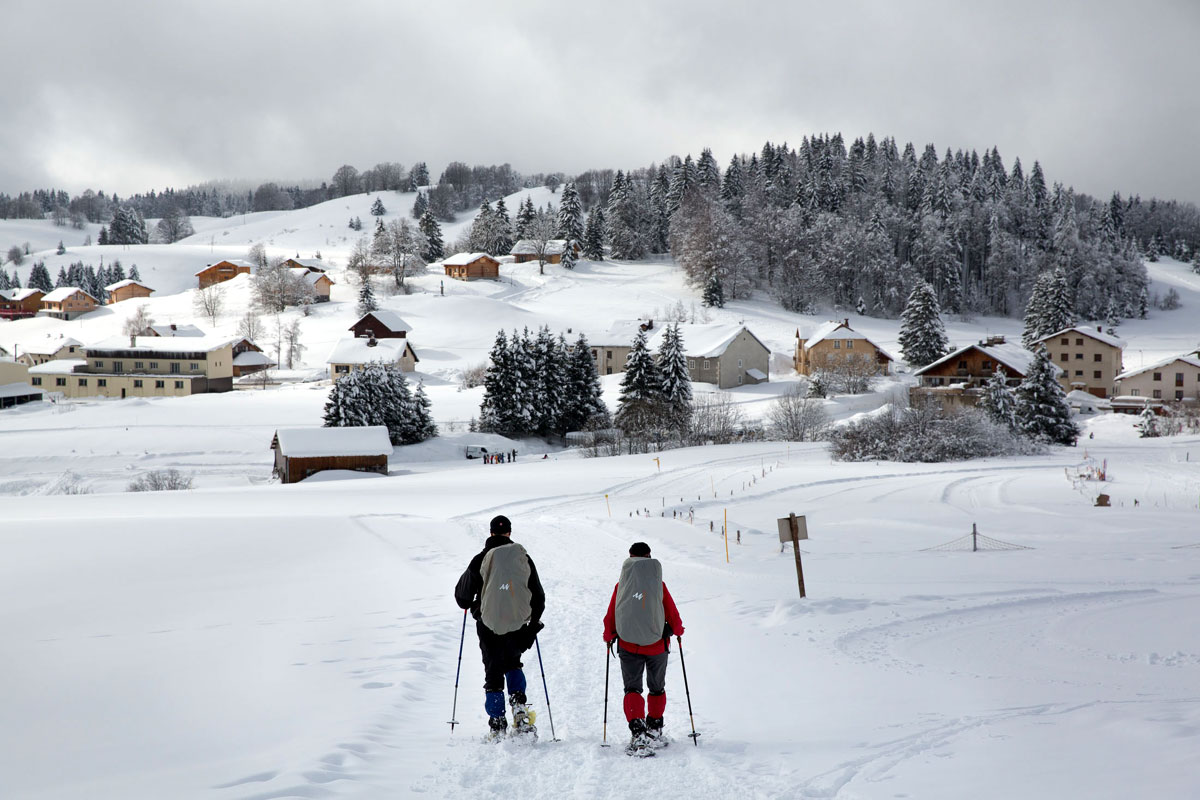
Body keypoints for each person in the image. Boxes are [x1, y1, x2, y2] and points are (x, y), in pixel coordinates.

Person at [455, 515, 546, 740]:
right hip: (517, 622)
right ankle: (520, 709)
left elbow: (462, 597)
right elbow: (539, 596)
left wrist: (476, 607)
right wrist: (532, 624)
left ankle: (497, 724)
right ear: (509, 533)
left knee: (493, 670)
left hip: (488, 624)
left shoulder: (481, 558)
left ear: (491, 532)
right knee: (513, 663)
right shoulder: (523, 557)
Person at [602, 542, 685, 754]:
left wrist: (608, 634)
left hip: (628, 645)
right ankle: (655, 730)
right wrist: (677, 629)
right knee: (656, 688)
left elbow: (613, 612)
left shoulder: (621, 585)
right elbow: (671, 612)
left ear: (629, 558)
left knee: (632, 688)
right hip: (657, 646)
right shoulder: (658, 584)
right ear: (649, 557)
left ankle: (638, 733)